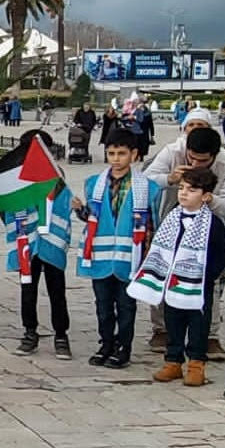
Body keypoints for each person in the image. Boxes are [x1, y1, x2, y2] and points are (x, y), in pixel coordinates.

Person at [141, 125, 225, 358]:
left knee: (209, 280)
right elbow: (144, 182)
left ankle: (210, 335)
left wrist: (209, 199)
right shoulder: (172, 151)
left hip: (209, 222)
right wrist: (170, 178)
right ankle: (162, 329)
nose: (196, 164)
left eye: (203, 161)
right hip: (171, 215)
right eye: (192, 158)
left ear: (214, 156)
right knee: (162, 270)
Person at [72, 132, 161, 369]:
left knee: (126, 305)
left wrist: (147, 258)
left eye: (121, 154)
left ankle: (124, 347)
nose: (116, 159)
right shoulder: (93, 183)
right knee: (102, 305)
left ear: (133, 155)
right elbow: (94, 217)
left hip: (129, 259)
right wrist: (80, 210)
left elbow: (151, 225)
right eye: (111, 153)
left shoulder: (148, 187)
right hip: (101, 257)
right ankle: (106, 343)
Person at [139, 167, 225, 388]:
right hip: (173, 283)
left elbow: (221, 253)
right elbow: (161, 247)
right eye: (181, 188)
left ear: (206, 196)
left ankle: (196, 364)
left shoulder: (213, 223)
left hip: (199, 285)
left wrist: (206, 276)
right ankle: (173, 361)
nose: (183, 193)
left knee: (198, 325)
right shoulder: (172, 218)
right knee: (173, 322)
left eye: (191, 190)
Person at [4, 130, 75, 358]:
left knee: (56, 290)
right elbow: (7, 205)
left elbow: (63, 203)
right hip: (28, 240)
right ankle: (29, 332)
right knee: (28, 289)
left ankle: (61, 335)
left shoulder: (56, 176)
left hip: (51, 240)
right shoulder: (16, 177)